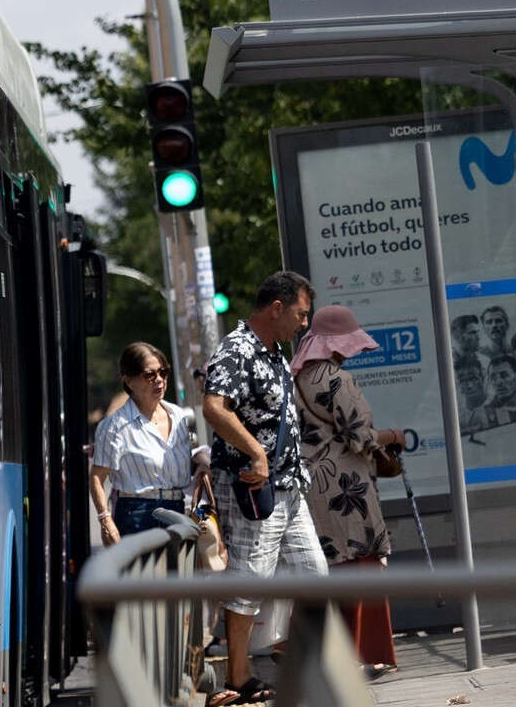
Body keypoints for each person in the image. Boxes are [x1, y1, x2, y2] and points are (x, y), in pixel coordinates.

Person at [202, 271, 326, 706]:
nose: (303, 324)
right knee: (248, 583)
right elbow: (214, 408)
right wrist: (256, 452)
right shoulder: (237, 349)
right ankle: (238, 677)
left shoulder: (274, 352)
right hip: (253, 489)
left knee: (315, 575)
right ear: (277, 307)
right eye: (300, 313)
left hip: (289, 487)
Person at [291, 305, 403, 678]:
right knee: (364, 561)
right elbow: (359, 438)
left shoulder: (299, 379)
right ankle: (369, 653)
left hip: (315, 485)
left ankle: (333, 654)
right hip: (347, 485)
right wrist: (391, 437)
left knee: (334, 567)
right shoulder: (338, 380)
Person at [91, 342, 192, 545]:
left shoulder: (180, 417)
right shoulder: (114, 426)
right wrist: (105, 520)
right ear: (128, 381)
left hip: (178, 512)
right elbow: (96, 478)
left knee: (175, 576)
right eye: (150, 375)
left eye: (164, 372)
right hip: (136, 514)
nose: (160, 380)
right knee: (142, 577)